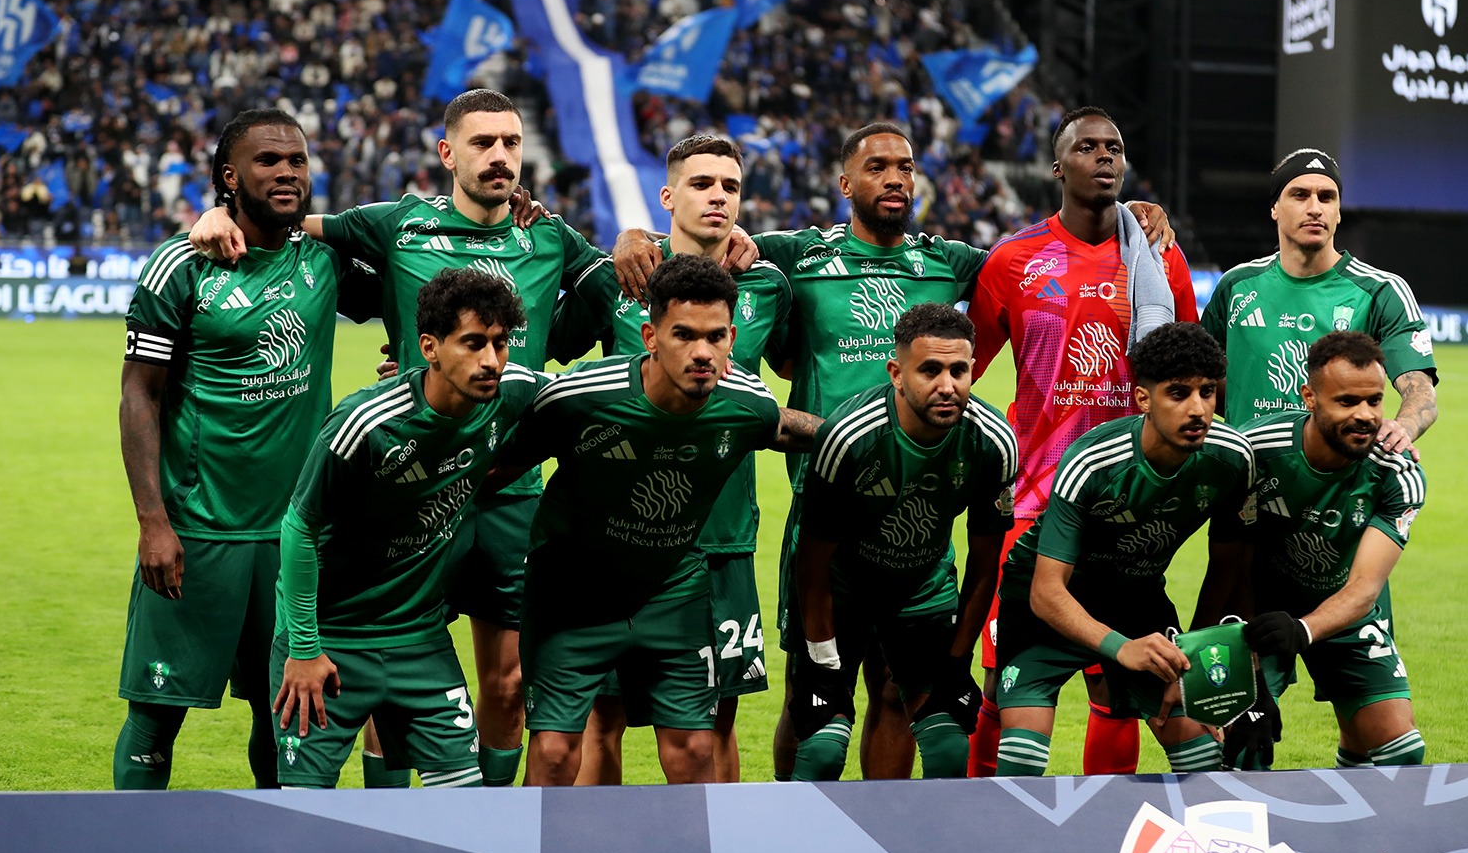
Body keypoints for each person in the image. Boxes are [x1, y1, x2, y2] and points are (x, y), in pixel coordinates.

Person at [611, 122, 1173, 781]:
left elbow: (1039, 249)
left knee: (894, 694)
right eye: (877, 167)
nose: (895, 179)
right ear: (845, 183)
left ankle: (887, 823)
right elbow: (702, 237)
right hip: (825, 508)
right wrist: (633, 238)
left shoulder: (950, 261)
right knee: (809, 694)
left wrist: (1124, 214)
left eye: (905, 167)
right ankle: (794, 817)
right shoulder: (796, 256)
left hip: (920, 508)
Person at [192, 89, 607, 788]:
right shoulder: (398, 224)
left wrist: (635, 240)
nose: (500, 155)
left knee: (507, 683)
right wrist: (214, 214)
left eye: (510, 142)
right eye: (482, 142)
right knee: (388, 652)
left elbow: (618, 285)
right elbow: (284, 222)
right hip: (408, 484)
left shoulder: (551, 237)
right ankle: (387, 817)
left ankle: (485, 820)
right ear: (447, 152)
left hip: (508, 489)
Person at [115, 109, 371, 789]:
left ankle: (279, 837)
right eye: (268, 161)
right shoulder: (181, 266)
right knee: (156, 714)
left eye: (298, 160)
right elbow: (139, 395)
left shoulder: (324, 258)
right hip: (199, 532)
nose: (287, 171)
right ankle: (127, 839)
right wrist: (152, 521)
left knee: (286, 711)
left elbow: (415, 271)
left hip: (297, 535)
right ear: (230, 177)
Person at [493, 254, 819, 786]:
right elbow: (499, 466)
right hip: (571, 594)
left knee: (694, 749)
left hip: (673, 591)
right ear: (650, 336)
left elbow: (791, 429)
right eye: (684, 335)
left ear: (732, 339)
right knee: (553, 753)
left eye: (715, 337)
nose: (701, 352)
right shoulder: (580, 398)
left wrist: (887, 426)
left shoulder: (746, 404)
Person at [548, 135, 791, 784]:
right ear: (667, 195)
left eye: (730, 186)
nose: (717, 197)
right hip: (614, 542)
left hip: (721, 539)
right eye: (701, 183)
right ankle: (595, 839)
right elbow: (535, 345)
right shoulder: (620, 275)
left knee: (715, 722)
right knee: (603, 719)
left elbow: (794, 369)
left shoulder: (767, 285)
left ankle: (719, 839)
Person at [965, 106, 1199, 777]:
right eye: (1088, 147)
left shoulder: (1157, 259)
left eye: (1115, 148)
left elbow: (1187, 368)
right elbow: (961, 368)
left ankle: (1106, 828)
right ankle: (974, 822)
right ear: (1056, 166)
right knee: (1001, 684)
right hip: (1034, 501)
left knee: (1118, 688)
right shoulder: (1013, 261)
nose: (1105, 157)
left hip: (1126, 508)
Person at [272, 267, 543, 788]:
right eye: (473, 343)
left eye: (500, 343)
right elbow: (300, 527)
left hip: (420, 639)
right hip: (332, 638)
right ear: (429, 348)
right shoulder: (366, 424)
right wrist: (304, 650)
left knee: (464, 803)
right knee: (304, 812)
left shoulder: (508, 394)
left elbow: (579, 397)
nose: (491, 360)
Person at [992, 322, 1251, 776]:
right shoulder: (1093, 461)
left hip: (1135, 595)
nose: (1197, 409)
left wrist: (1192, 657)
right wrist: (1122, 648)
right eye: (1178, 394)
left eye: (1207, 392)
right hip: (1046, 602)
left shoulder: (1232, 459)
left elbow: (1228, 567)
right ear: (1143, 399)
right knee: (1022, 757)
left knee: (1203, 752)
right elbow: (1046, 591)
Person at [786, 303, 1018, 781]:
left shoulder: (993, 443)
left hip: (921, 591)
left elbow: (984, 564)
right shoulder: (848, 437)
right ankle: (792, 825)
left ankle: (898, 827)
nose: (947, 385)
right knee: (823, 747)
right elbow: (811, 561)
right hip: (841, 592)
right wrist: (823, 661)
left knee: (949, 749)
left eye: (959, 371)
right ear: (896, 373)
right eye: (930, 370)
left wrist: (957, 661)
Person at [1201, 331, 1427, 769]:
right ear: (1309, 397)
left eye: (1375, 401)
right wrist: (1250, 675)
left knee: (1401, 752)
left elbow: (1364, 588)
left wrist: (1303, 630)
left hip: (1347, 610)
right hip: (1258, 610)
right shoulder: (1254, 453)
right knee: (1241, 747)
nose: (1365, 415)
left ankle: (1355, 801)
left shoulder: (1397, 473)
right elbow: (1231, 566)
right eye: (1347, 402)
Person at [1202, 148, 1437, 460]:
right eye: (1300, 195)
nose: (1315, 208)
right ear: (1274, 208)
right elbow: (1199, 378)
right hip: (1247, 476)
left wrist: (1403, 427)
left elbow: (1420, 388)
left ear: (1338, 212)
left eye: (1326, 197)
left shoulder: (1382, 291)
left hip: (1335, 480)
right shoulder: (1236, 285)